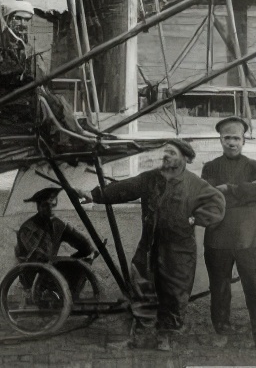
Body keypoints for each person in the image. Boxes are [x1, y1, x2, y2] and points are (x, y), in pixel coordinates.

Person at [81, 139, 225, 351]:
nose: (166, 157)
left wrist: (197, 218)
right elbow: (124, 188)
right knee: (142, 288)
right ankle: (139, 336)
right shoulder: (150, 178)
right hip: (149, 246)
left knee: (174, 294)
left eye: (172, 153)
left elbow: (217, 204)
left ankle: (164, 337)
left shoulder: (195, 184)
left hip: (179, 251)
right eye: (165, 153)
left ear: (185, 158)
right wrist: (94, 195)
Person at [201, 116, 256, 352]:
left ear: (243, 141)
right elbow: (208, 195)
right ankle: (221, 331)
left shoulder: (253, 166)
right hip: (218, 237)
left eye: (236, 138)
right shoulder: (210, 167)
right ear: (220, 139)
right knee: (219, 287)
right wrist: (243, 195)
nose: (232, 143)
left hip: (250, 237)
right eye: (227, 138)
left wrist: (229, 189)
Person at [0, 1, 86, 142]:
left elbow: (34, 71)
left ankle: (74, 133)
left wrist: (36, 72)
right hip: (3, 93)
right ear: (8, 19)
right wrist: (26, 74)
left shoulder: (24, 44)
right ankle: (70, 136)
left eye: (27, 20)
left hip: (22, 90)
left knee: (59, 100)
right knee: (47, 101)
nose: (23, 23)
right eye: (19, 18)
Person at [14, 187, 95, 302]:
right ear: (38, 207)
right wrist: (66, 262)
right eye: (46, 206)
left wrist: (79, 257)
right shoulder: (28, 228)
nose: (50, 209)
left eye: (53, 205)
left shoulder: (58, 225)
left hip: (52, 270)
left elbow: (85, 246)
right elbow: (38, 256)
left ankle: (71, 298)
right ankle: (52, 296)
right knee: (51, 265)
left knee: (83, 263)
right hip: (32, 273)